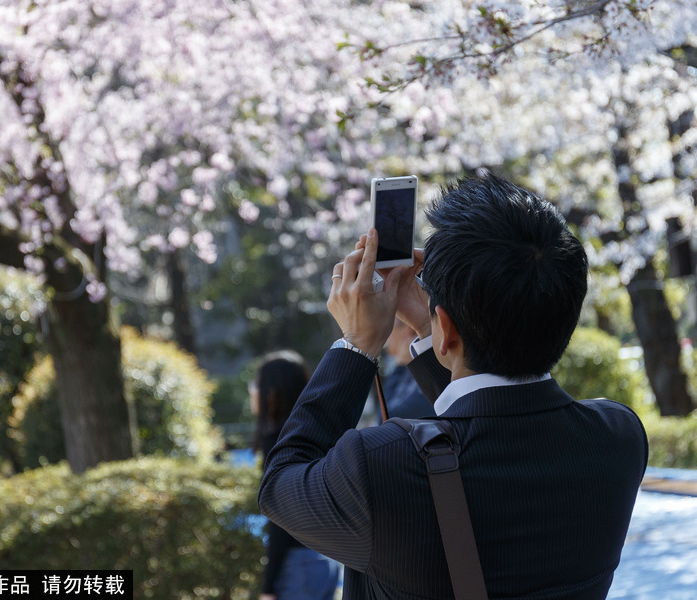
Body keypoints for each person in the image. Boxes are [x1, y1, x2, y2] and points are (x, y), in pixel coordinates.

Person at [258, 174, 647, 599]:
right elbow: (491, 417)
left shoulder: (382, 468)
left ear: (446, 326)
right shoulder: (618, 437)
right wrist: (436, 328)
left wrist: (357, 343)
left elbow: (281, 484)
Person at [250, 350, 341, 600]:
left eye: (256, 384)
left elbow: (281, 522)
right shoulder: (314, 434)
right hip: (326, 558)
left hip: (298, 564)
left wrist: (268, 586)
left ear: (272, 392)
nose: (252, 390)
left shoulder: (278, 442)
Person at [379, 315, 434, 420]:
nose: (386, 338)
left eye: (388, 329)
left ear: (408, 328)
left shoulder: (421, 367)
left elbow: (385, 418)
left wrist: (400, 368)